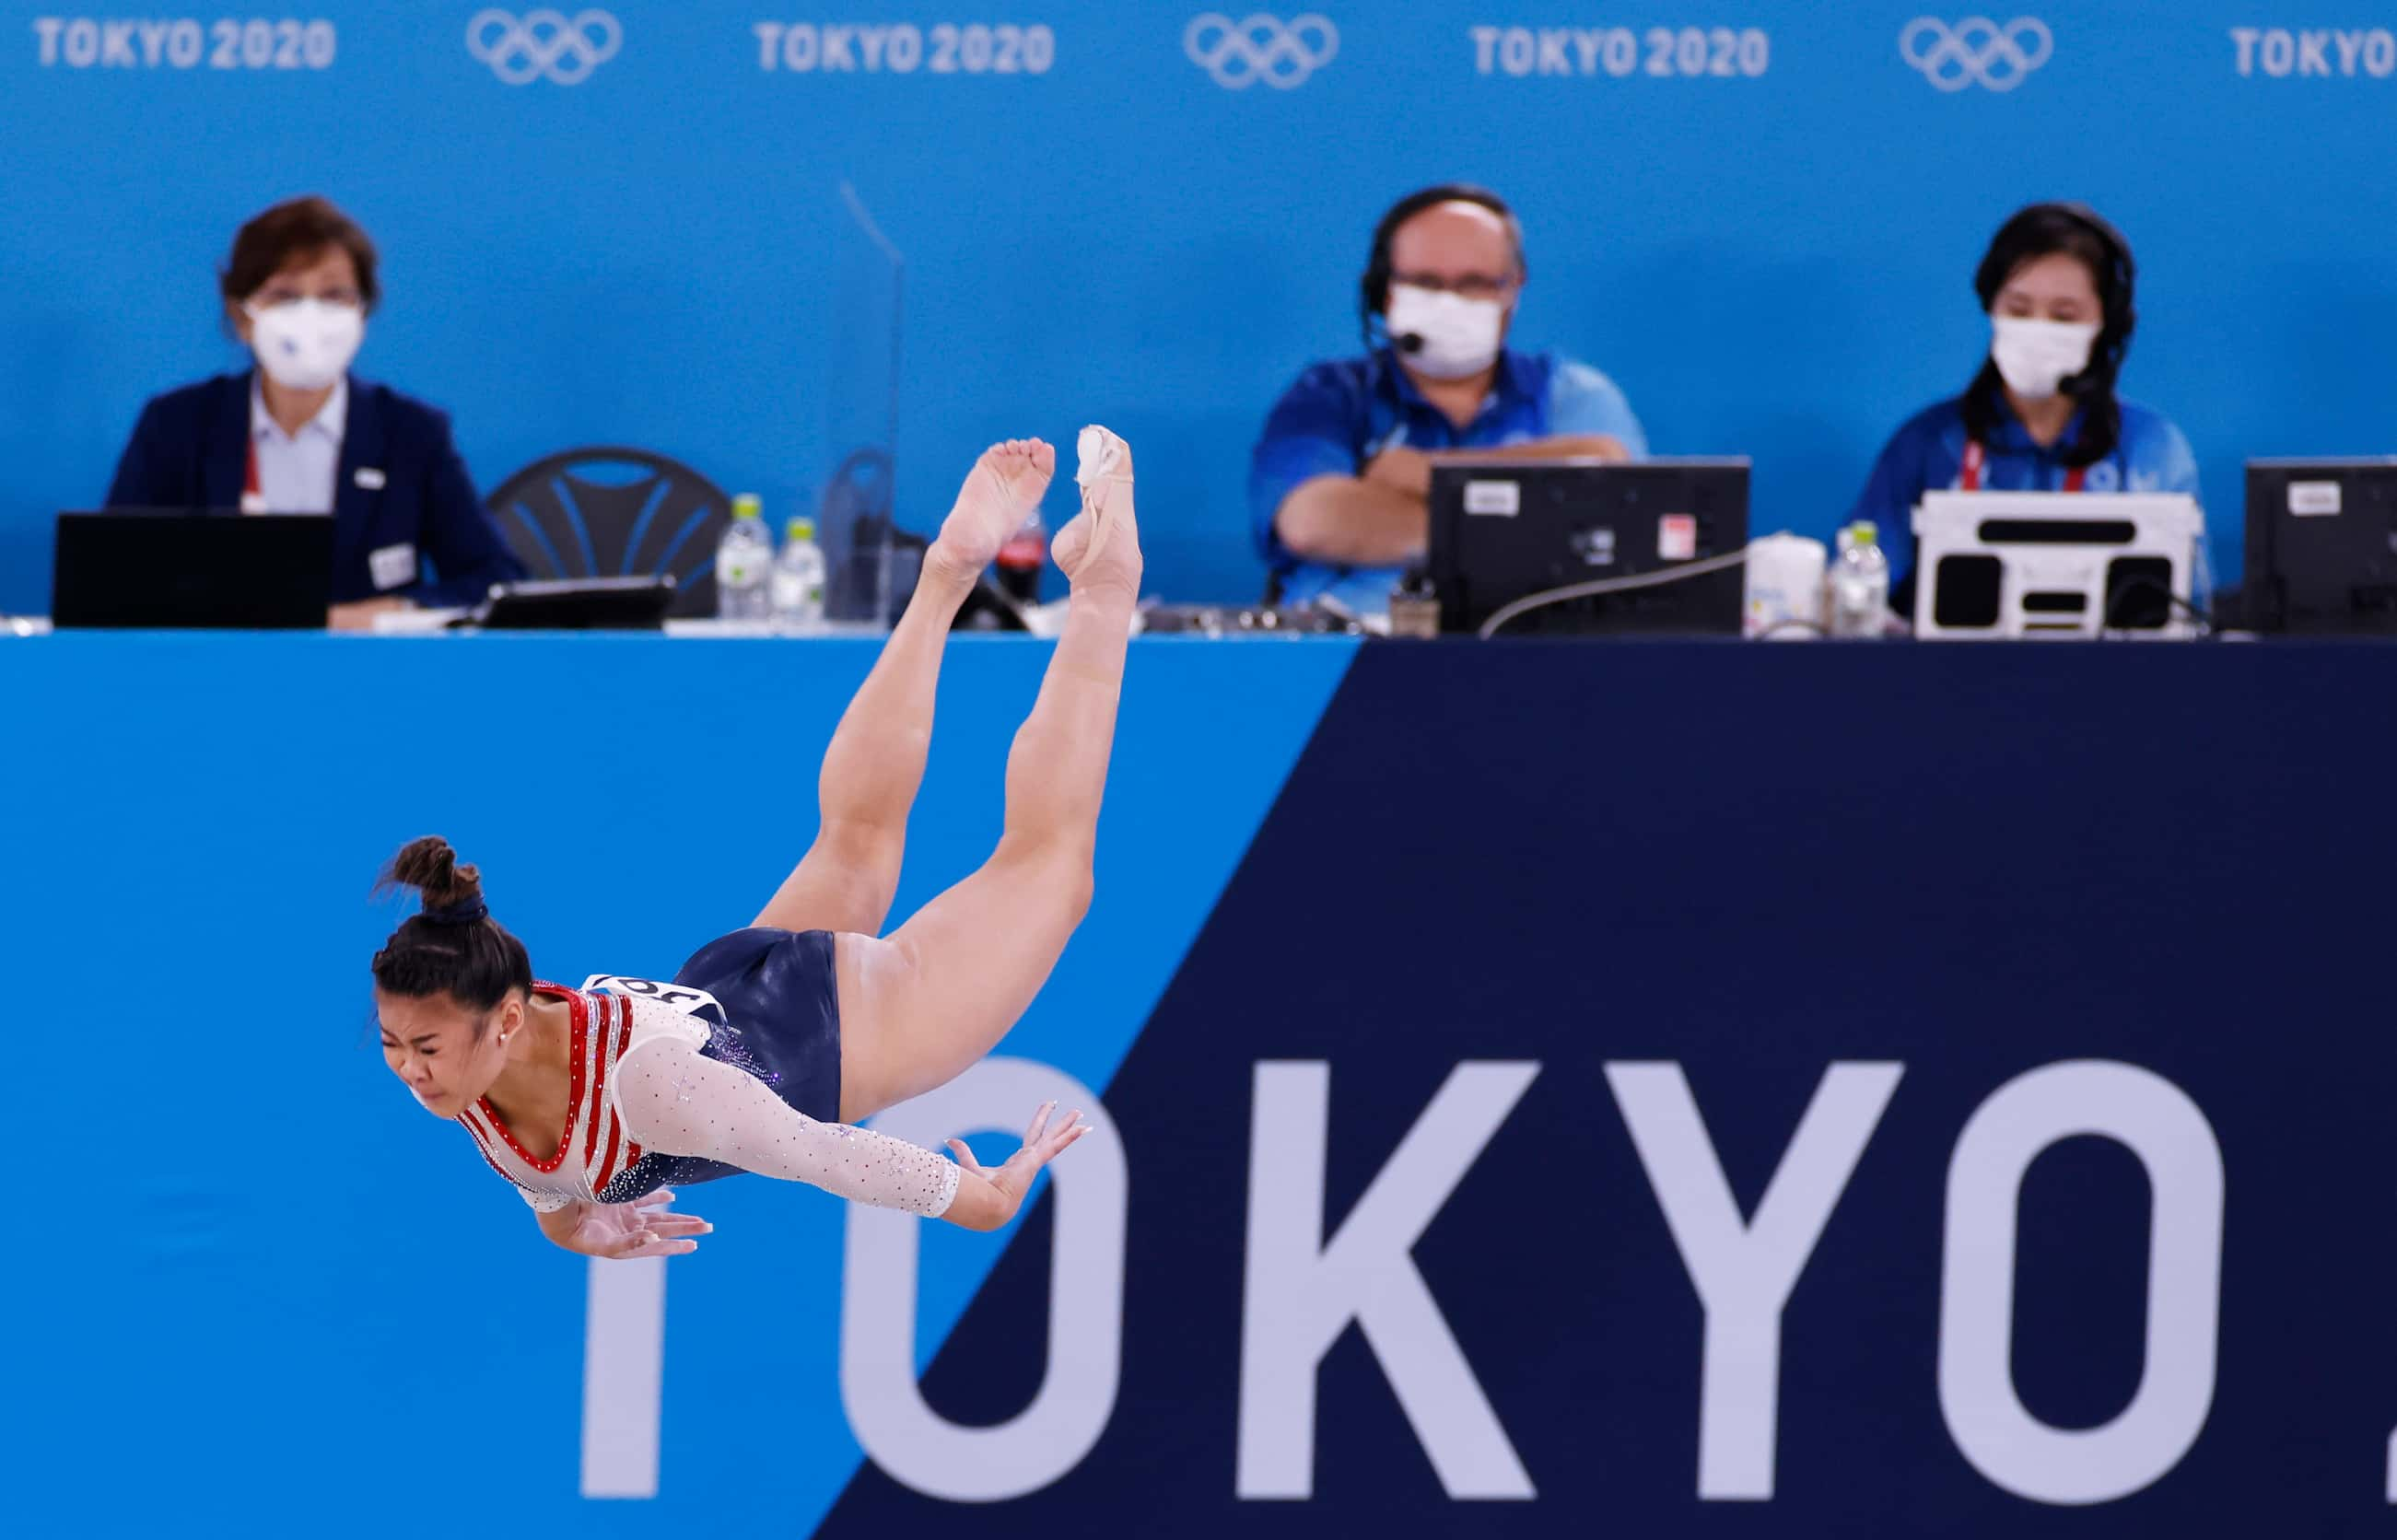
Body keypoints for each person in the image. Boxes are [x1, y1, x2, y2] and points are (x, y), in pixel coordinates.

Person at [371, 428, 1140, 1256]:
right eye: (391, 1045)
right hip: (728, 993)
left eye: (422, 1047)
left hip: (833, 1043)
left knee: (1051, 866)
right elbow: (546, 1181)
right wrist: (580, 1234)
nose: (410, 1069)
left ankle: (1103, 585)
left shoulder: (649, 1092)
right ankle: (947, 572)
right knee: (854, 838)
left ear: (508, 1020)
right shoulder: (473, 1076)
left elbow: (820, 1153)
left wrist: (979, 1201)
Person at [106, 195, 522, 630]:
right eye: (284, 295)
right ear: (242, 315)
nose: (310, 315)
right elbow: (111, 578)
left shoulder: (410, 433)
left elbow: (494, 578)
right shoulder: (179, 426)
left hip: (366, 676)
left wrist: (385, 613)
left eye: (334, 295)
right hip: (215, 671)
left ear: (362, 311)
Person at [1250, 183, 1648, 616]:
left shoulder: (1573, 394)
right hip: (1352, 653)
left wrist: (1416, 473)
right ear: (1385, 290)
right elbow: (1313, 524)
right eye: (1426, 282)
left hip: (1534, 652)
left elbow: (1613, 498)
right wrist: (1530, 525)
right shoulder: (1329, 397)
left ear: (1513, 288)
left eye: (1475, 283)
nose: (1450, 301)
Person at [1846, 202, 2206, 616]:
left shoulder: (2151, 449)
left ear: (2106, 322)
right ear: (1991, 308)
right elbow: (1861, 589)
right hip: (1951, 674)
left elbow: (2191, 611)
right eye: (2018, 310)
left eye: (2063, 315)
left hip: (2116, 675)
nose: (2038, 328)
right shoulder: (1929, 442)